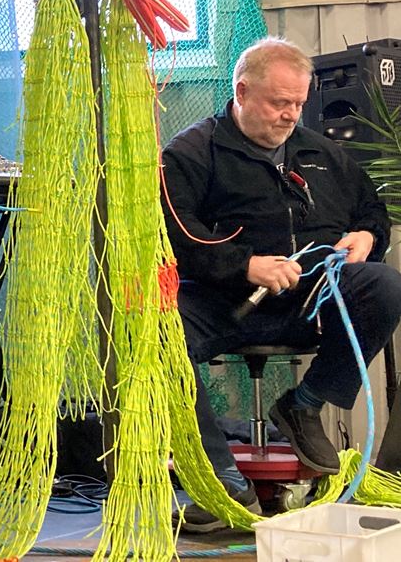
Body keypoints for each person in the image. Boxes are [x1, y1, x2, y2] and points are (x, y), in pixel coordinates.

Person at [161, 36, 401, 532]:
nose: (291, 114)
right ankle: (220, 484)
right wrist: (245, 265)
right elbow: (175, 234)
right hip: (221, 301)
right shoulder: (189, 153)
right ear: (243, 92)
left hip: (310, 298)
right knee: (157, 334)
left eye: (298, 103)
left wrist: (364, 237)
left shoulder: (323, 153)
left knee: (384, 285)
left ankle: (304, 405)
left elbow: (372, 213)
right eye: (279, 102)